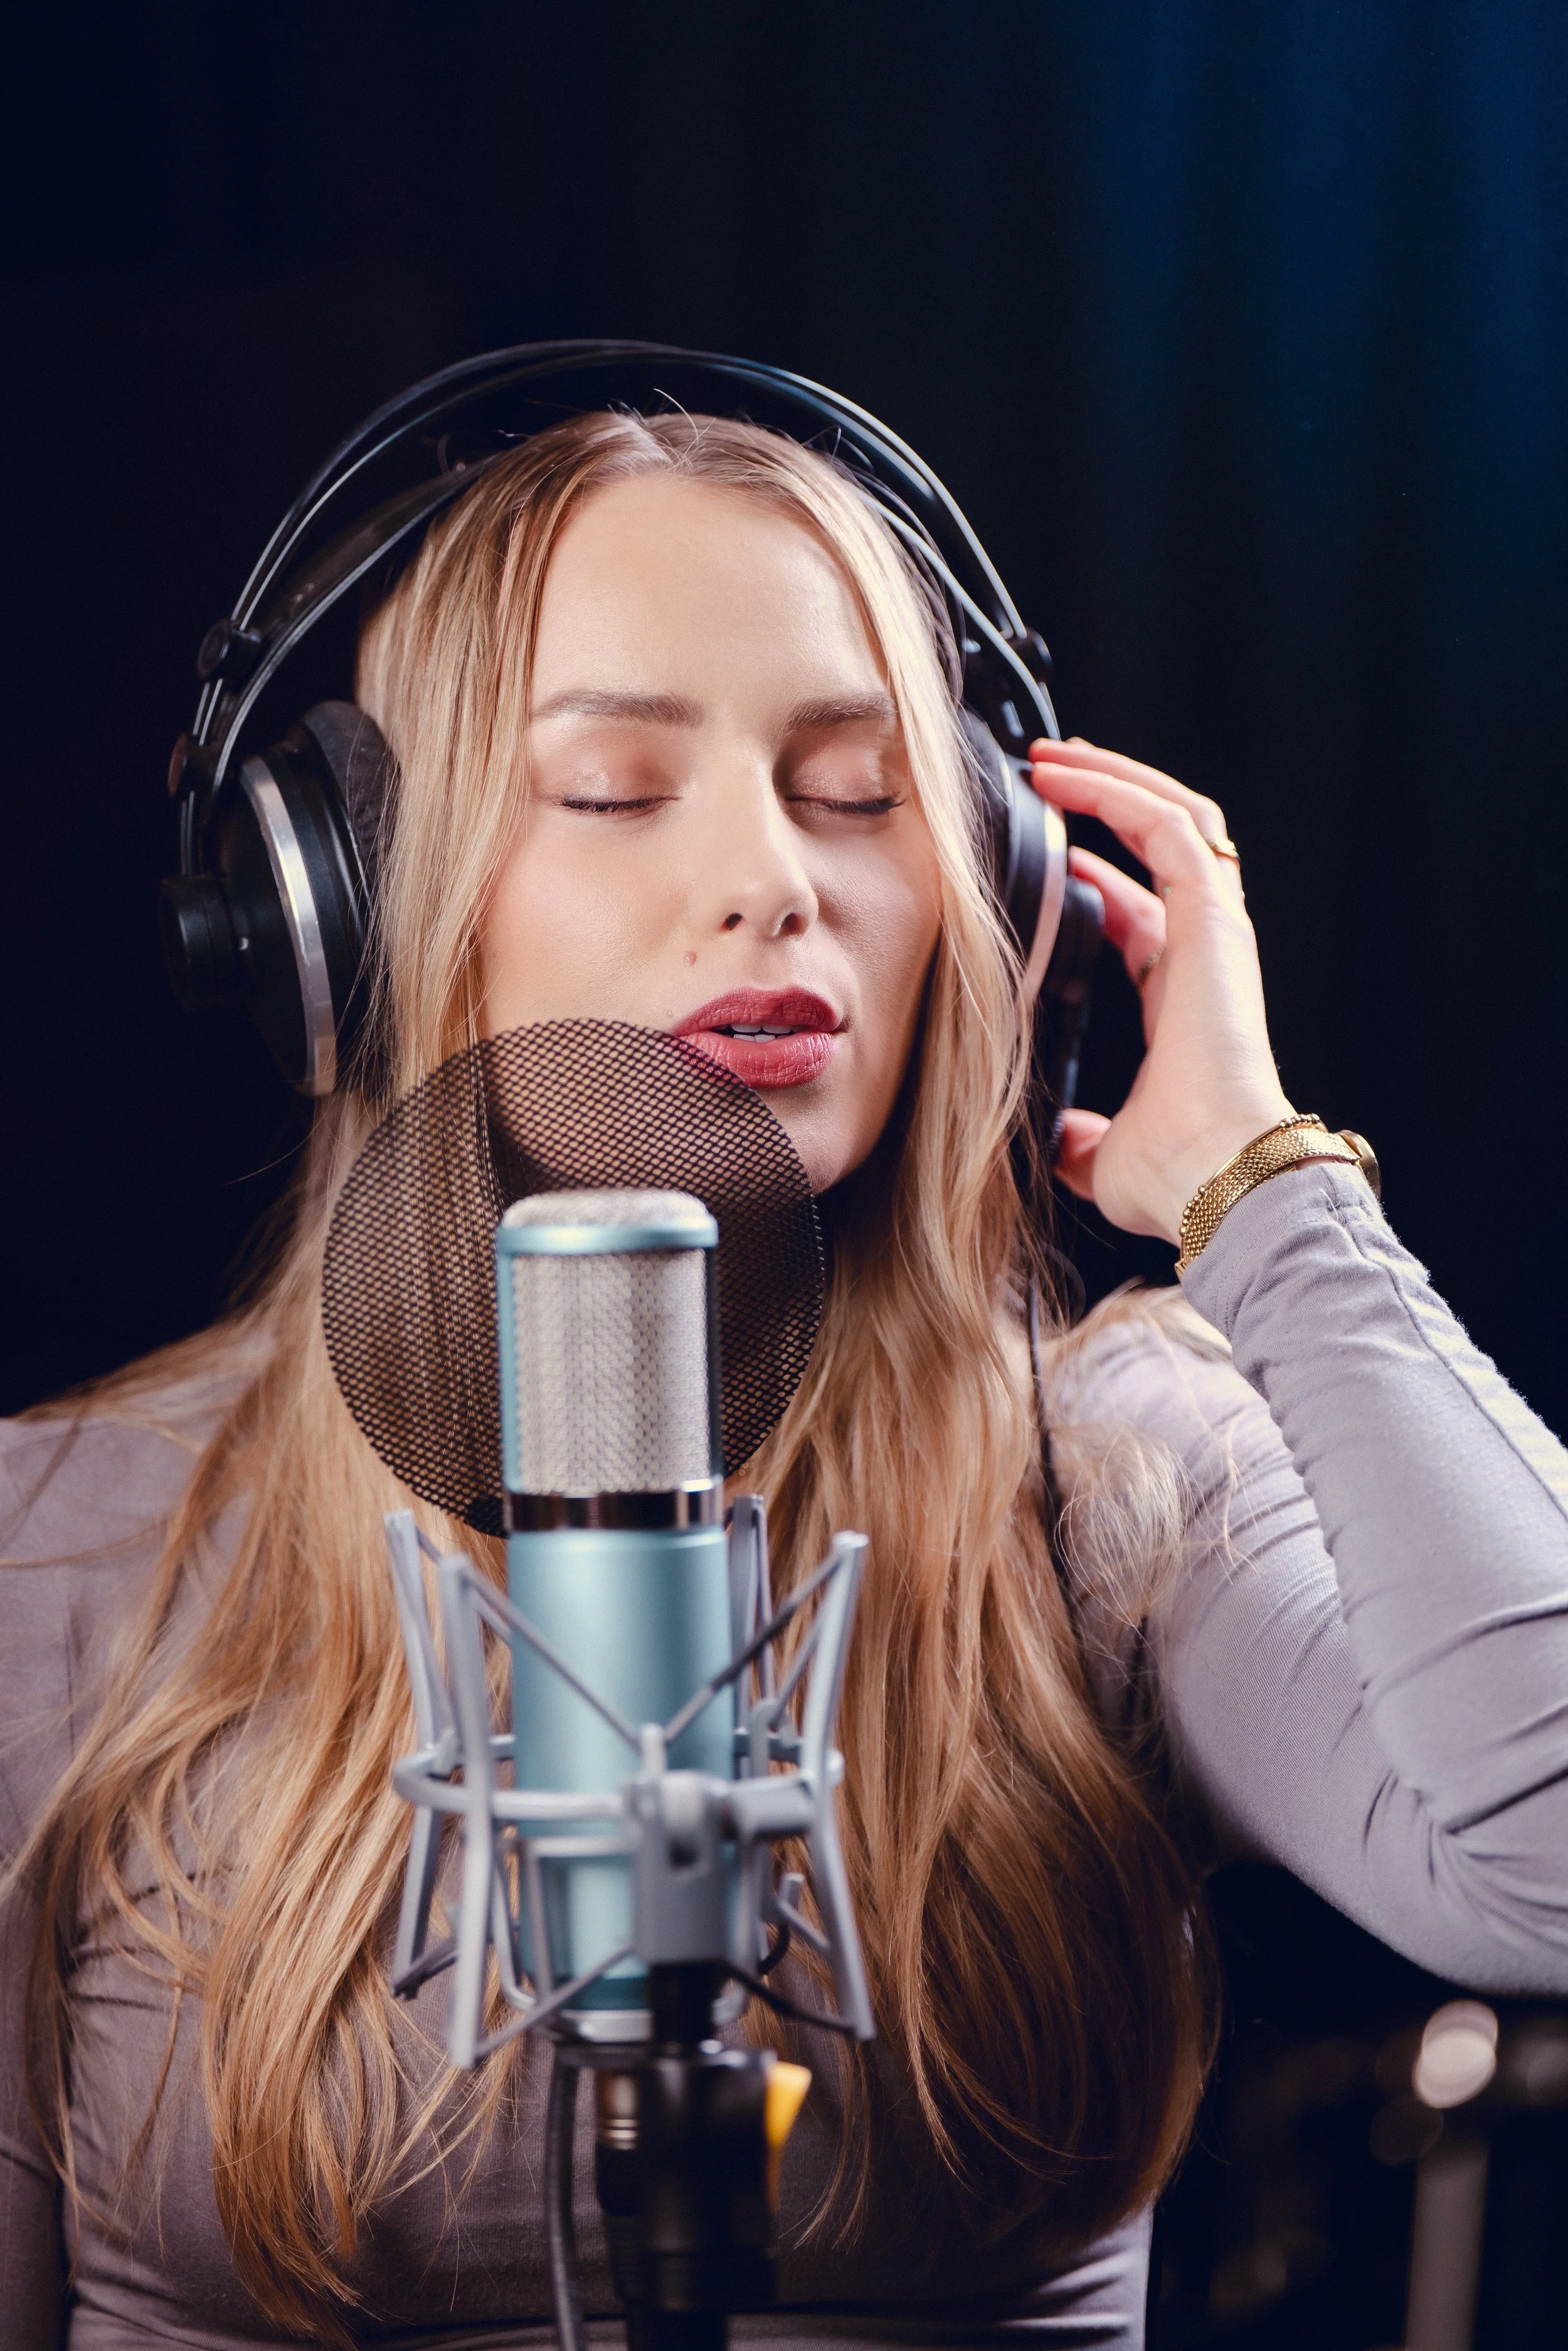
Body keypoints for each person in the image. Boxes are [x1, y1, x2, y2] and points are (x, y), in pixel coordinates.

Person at [4, 407, 1567, 2351]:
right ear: (348, 905)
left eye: (853, 789)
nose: (768, 880)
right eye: (609, 786)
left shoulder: (1115, 1496)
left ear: (999, 891)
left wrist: (1263, 1190)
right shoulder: (61, 1555)